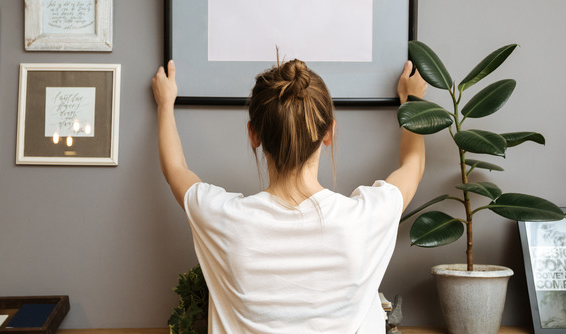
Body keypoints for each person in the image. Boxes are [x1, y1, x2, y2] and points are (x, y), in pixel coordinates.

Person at [152, 58, 427, 333]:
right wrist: (412, 99)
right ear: (330, 132)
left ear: (253, 134)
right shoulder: (365, 218)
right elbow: (412, 167)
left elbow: (175, 169)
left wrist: (165, 104)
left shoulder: (222, 218)